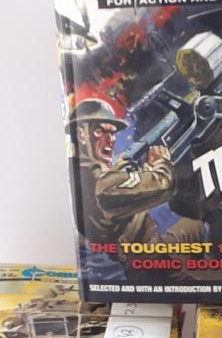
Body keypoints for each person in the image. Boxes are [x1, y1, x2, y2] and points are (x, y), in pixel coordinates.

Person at [66, 98, 204, 249]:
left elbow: (127, 189)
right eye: (99, 132)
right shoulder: (101, 182)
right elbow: (165, 184)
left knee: (193, 226)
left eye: (112, 133)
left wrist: (140, 168)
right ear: (81, 134)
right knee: (198, 226)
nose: (110, 140)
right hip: (146, 253)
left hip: (135, 249)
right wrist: (161, 161)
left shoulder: (76, 173)